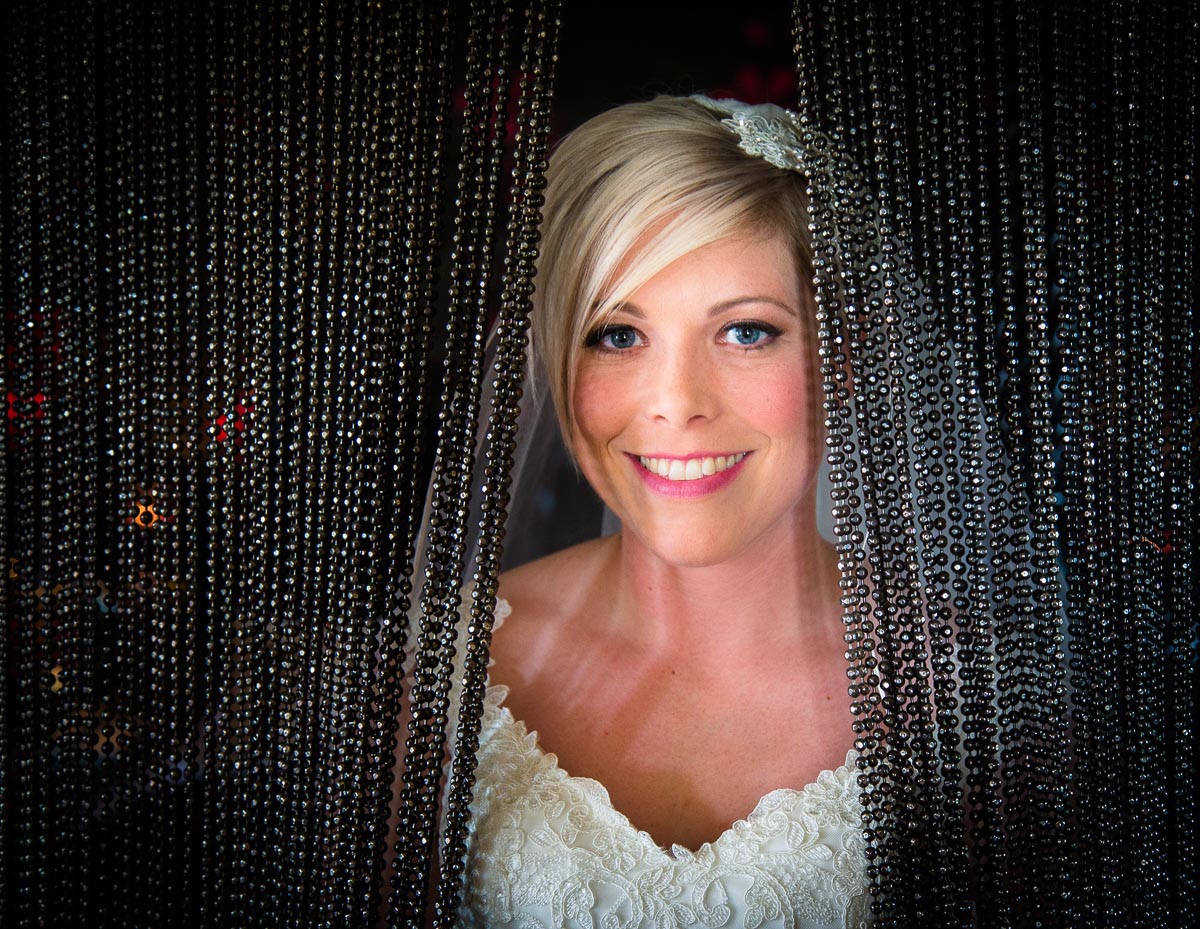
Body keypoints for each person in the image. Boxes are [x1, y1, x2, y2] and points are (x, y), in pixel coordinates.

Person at [453, 95, 870, 928]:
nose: (676, 403)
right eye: (618, 334)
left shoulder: (969, 693)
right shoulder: (450, 664)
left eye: (746, 331)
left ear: (845, 355)